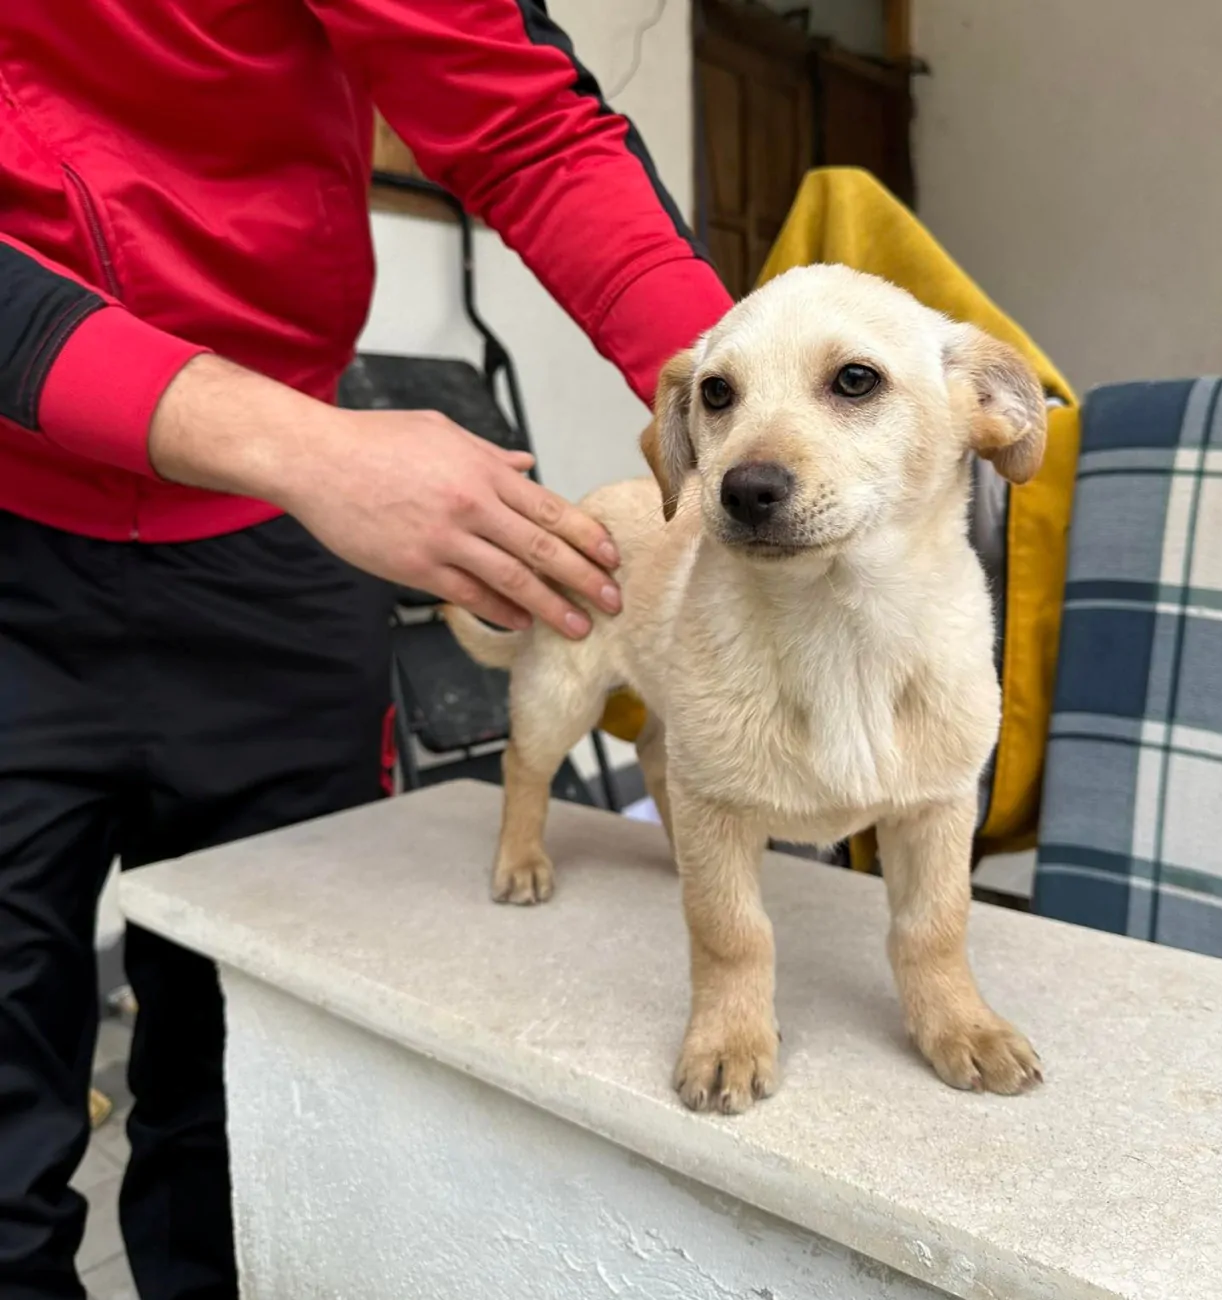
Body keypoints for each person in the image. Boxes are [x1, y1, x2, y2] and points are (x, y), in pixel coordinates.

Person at [0, 3, 733, 1298]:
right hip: (45, 516)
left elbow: (525, 122)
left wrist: (742, 397)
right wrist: (303, 446)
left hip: (269, 574)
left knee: (246, 1097)